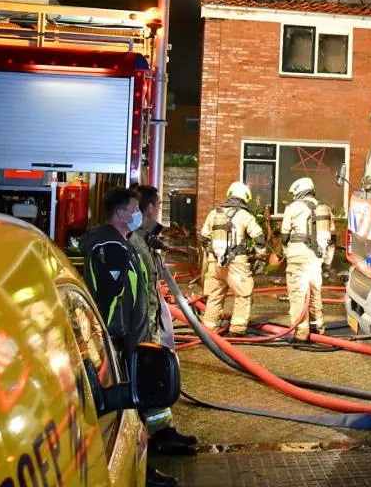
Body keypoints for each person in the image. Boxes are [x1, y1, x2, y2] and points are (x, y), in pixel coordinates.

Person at [79, 187, 179, 487]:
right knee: (125, 414)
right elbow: (113, 299)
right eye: (135, 208)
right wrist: (118, 339)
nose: (140, 213)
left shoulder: (119, 243)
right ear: (122, 213)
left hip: (127, 340)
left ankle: (142, 468)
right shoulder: (111, 247)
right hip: (120, 344)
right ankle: (137, 472)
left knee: (130, 412)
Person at [129, 185, 198, 456]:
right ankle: (160, 435)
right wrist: (146, 331)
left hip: (148, 323)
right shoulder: (135, 244)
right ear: (150, 208)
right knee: (152, 378)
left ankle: (160, 431)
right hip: (142, 327)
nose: (159, 211)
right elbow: (140, 292)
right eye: (158, 206)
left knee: (151, 377)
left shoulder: (142, 240)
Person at [198, 181, 267, 335]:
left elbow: (203, 238)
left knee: (214, 297)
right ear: (245, 197)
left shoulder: (214, 213)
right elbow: (259, 238)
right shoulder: (245, 215)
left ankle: (210, 330)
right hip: (237, 264)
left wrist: (213, 254)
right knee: (243, 295)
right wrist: (261, 257)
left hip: (214, 263)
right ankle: (237, 330)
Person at [280, 177, 334, 341]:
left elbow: (284, 234)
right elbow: (331, 239)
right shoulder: (325, 209)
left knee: (298, 294)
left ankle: (300, 332)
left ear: (298, 191)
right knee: (315, 291)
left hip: (298, 256)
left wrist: (286, 249)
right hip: (316, 258)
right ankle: (318, 327)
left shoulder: (293, 207)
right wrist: (327, 263)